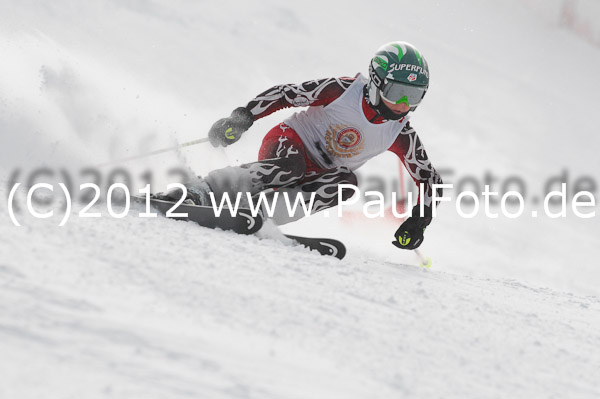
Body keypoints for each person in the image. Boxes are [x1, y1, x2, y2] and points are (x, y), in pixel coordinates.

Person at [156, 41, 443, 250]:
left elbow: (429, 178)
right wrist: (242, 118)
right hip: (290, 142)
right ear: (377, 83)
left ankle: (259, 214)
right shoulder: (343, 91)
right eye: (398, 93)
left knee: (346, 183)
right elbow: (286, 94)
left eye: (414, 97)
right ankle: (202, 191)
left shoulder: (400, 132)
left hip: (318, 173)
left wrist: (419, 220)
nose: (404, 105)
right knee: (290, 168)